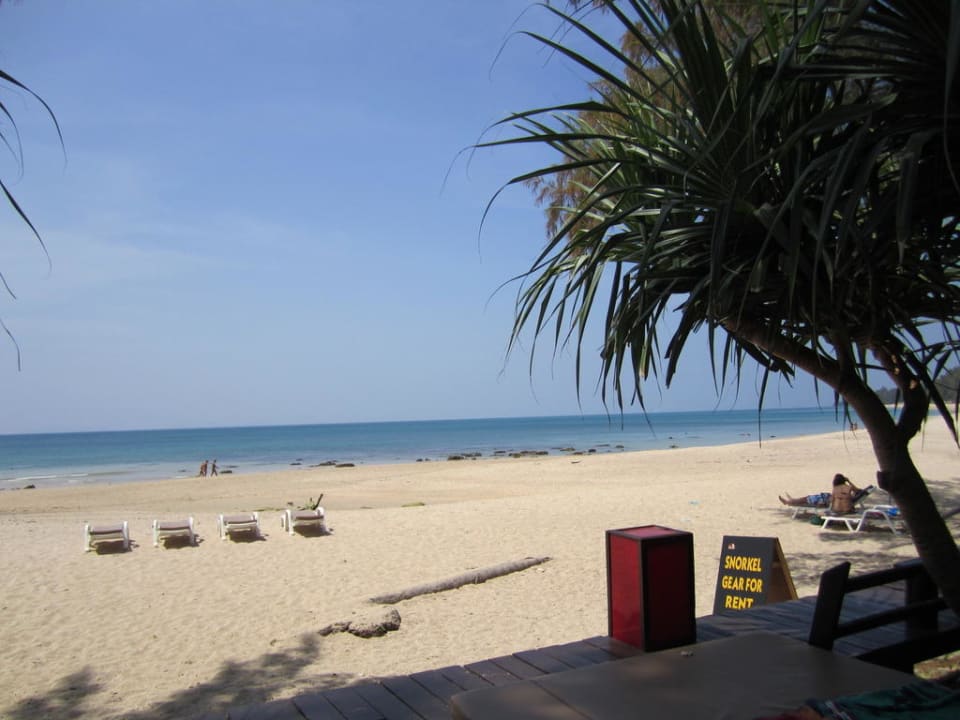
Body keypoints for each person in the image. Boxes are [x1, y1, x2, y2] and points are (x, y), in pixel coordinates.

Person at [779, 474, 860, 511]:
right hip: (827, 498)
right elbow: (858, 491)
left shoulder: (836, 489)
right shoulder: (849, 488)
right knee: (809, 498)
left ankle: (789, 502)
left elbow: (832, 501)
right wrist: (849, 481)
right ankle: (793, 500)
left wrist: (824, 503)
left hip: (825, 499)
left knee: (808, 498)